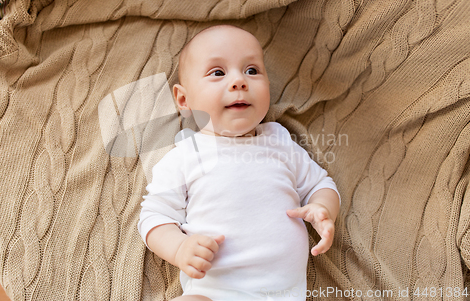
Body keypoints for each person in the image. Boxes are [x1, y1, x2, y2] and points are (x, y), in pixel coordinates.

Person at [137, 25, 340, 301]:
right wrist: (179, 248)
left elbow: (321, 183)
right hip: (213, 292)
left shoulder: (279, 141)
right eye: (218, 73)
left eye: (252, 71)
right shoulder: (185, 154)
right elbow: (154, 216)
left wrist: (323, 208)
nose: (239, 81)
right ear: (184, 100)